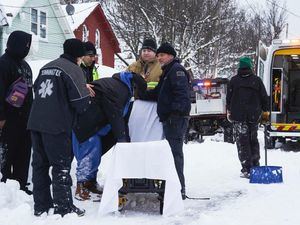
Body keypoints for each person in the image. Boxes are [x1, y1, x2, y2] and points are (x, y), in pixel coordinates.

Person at [27, 38, 91, 217]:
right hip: (57, 125)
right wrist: (87, 94)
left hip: (35, 122)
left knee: (39, 165)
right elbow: (81, 103)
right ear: (78, 55)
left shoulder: (46, 66)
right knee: (60, 166)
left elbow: (37, 90)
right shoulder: (73, 69)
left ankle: (41, 206)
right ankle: (64, 207)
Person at [72, 71, 147, 200]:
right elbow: (115, 114)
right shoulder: (120, 89)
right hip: (86, 124)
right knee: (88, 156)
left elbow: (120, 117)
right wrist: (122, 139)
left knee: (94, 156)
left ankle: (90, 184)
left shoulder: (117, 85)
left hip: (92, 124)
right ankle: (82, 188)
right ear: (135, 86)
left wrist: (124, 138)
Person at [139, 42, 191, 200]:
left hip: (175, 120)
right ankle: (173, 187)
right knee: (169, 154)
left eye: (162, 55)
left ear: (171, 56)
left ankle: (178, 189)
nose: (159, 58)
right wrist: (141, 93)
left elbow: (182, 96)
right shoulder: (167, 71)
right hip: (170, 119)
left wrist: (174, 114)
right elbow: (158, 93)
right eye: (159, 55)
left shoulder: (177, 71)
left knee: (175, 154)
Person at [0, 30, 33, 195]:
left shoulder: (25, 66)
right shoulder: (3, 63)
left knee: (24, 153)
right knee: (6, 153)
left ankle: (21, 186)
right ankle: (4, 187)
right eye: (26, 44)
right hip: (7, 120)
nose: (27, 47)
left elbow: (30, 93)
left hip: (25, 120)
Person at [226, 56, 269, 178]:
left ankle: (247, 169)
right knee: (253, 140)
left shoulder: (233, 81)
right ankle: (255, 165)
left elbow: (228, 99)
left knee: (242, 142)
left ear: (240, 67)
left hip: (239, 117)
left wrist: (229, 111)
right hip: (254, 116)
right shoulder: (257, 80)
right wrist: (265, 115)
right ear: (250, 66)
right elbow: (264, 98)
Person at [127, 38, 163, 142]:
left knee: (153, 136)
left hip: (154, 105)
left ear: (155, 52)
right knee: (136, 134)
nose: (146, 53)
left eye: (149, 51)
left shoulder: (160, 66)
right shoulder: (133, 67)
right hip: (136, 105)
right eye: (144, 50)